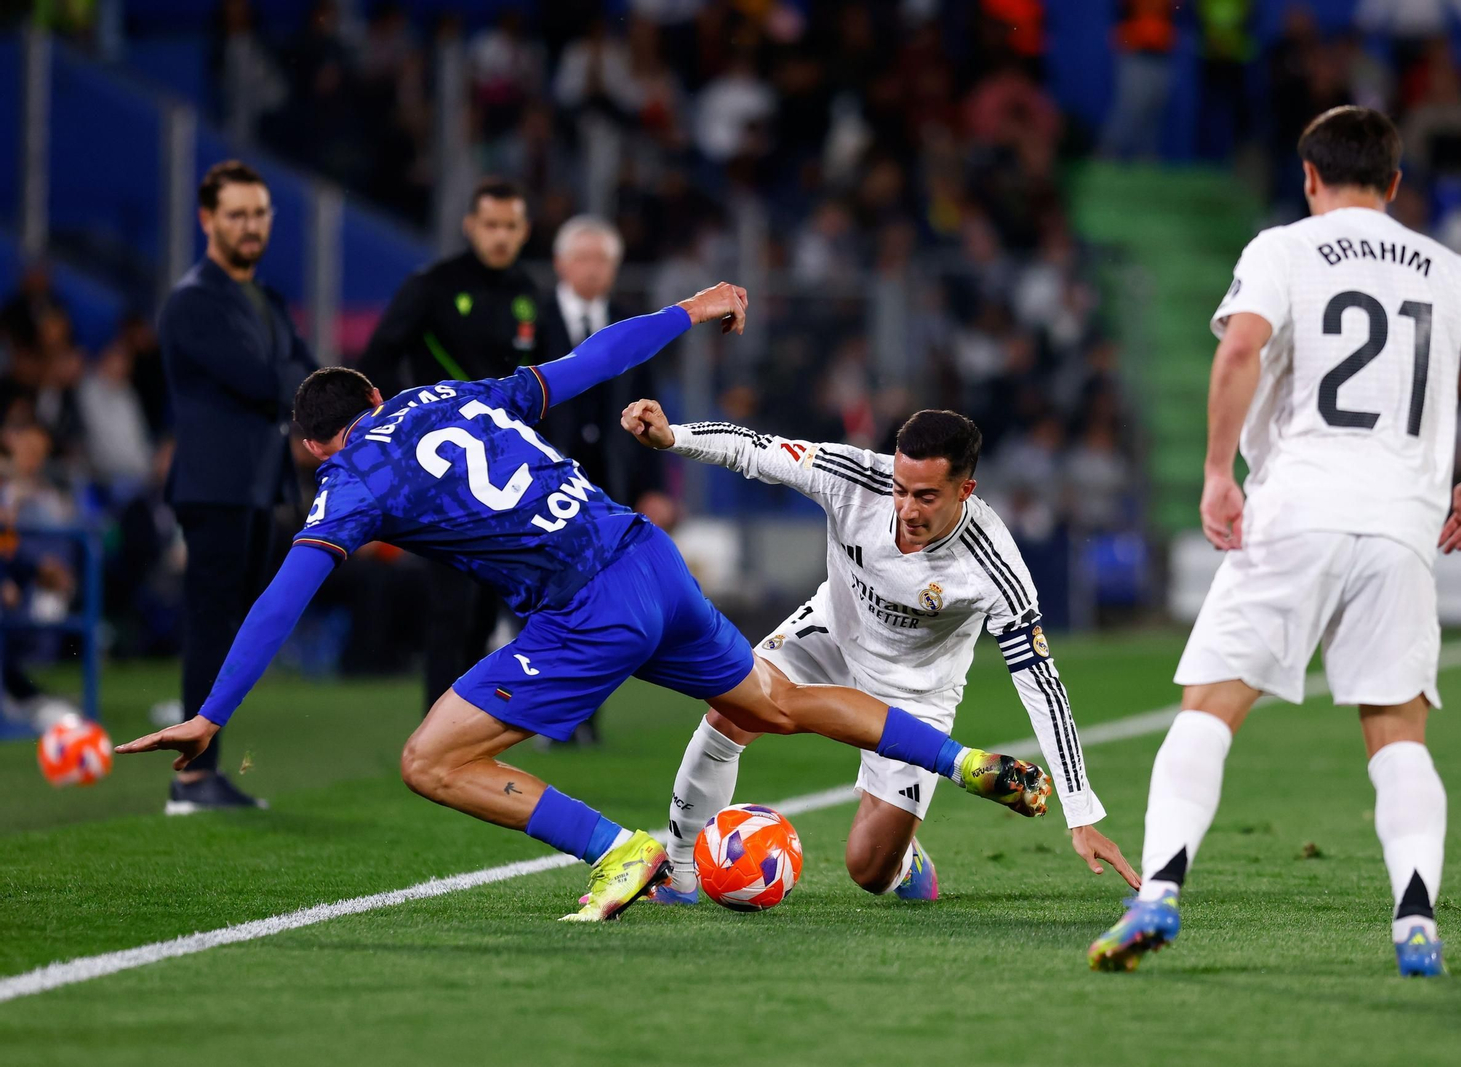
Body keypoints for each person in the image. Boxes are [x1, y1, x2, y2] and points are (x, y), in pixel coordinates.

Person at [115, 286, 1053, 922]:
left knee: (430, 759)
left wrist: (213, 713)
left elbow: (284, 595)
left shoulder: (346, 479)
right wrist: (688, 310)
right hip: (650, 560)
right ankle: (963, 759)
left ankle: (615, 847)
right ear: (375, 391)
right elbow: (591, 360)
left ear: (318, 447)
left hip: (588, 611)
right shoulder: (452, 397)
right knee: (775, 702)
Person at [1087, 107, 1461, 976]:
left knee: (1208, 711)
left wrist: (1217, 472)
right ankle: (1415, 919)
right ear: (1394, 183)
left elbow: (1240, 349)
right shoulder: (1448, 270)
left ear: (1309, 177)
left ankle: (1158, 893)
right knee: (1398, 734)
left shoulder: (1283, 250)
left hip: (1296, 511)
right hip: (1402, 527)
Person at [620, 401, 1137, 903]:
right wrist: (674, 437)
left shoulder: (992, 564)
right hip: (830, 635)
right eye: (900, 489)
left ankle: (906, 861)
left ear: (965, 490)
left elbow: (1041, 682)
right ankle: (680, 875)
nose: (908, 509)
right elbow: (755, 449)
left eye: (927, 496)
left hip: (915, 693)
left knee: (868, 870)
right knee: (729, 710)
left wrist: (1080, 812)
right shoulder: (853, 477)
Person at [158, 159, 318, 814]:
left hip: (255, 486)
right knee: (212, 627)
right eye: (236, 215)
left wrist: (299, 379)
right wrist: (296, 380)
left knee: (229, 630)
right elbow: (264, 379)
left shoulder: (267, 300)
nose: (250, 226)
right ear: (207, 220)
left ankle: (206, 772)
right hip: (214, 487)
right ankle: (193, 781)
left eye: (258, 214)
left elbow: (306, 374)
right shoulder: (193, 300)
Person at [359, 177, 542, 717]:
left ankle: (471, 726)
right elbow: (378, 358)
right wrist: (401, 428)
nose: (500, 236)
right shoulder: (432, 287)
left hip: (511, 470)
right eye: (491, 225)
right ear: (470, 226)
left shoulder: (532, 294)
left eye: (510, 226)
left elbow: (551, 376)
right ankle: (434, 730)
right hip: (444, 471)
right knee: (450, 604)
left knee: (492, 606)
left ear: (524, 231)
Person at [531, 215, 670, 745]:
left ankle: (583, 717)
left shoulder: (630, 327)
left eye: (603, 260)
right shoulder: (533, 324)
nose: (593, 269)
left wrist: (655, 487)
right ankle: (546, 712)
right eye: (583, 258)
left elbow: (652, 410)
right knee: (550, 597)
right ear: (561, 264)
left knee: (605, 601)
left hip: (611, 487)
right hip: (542, 485)